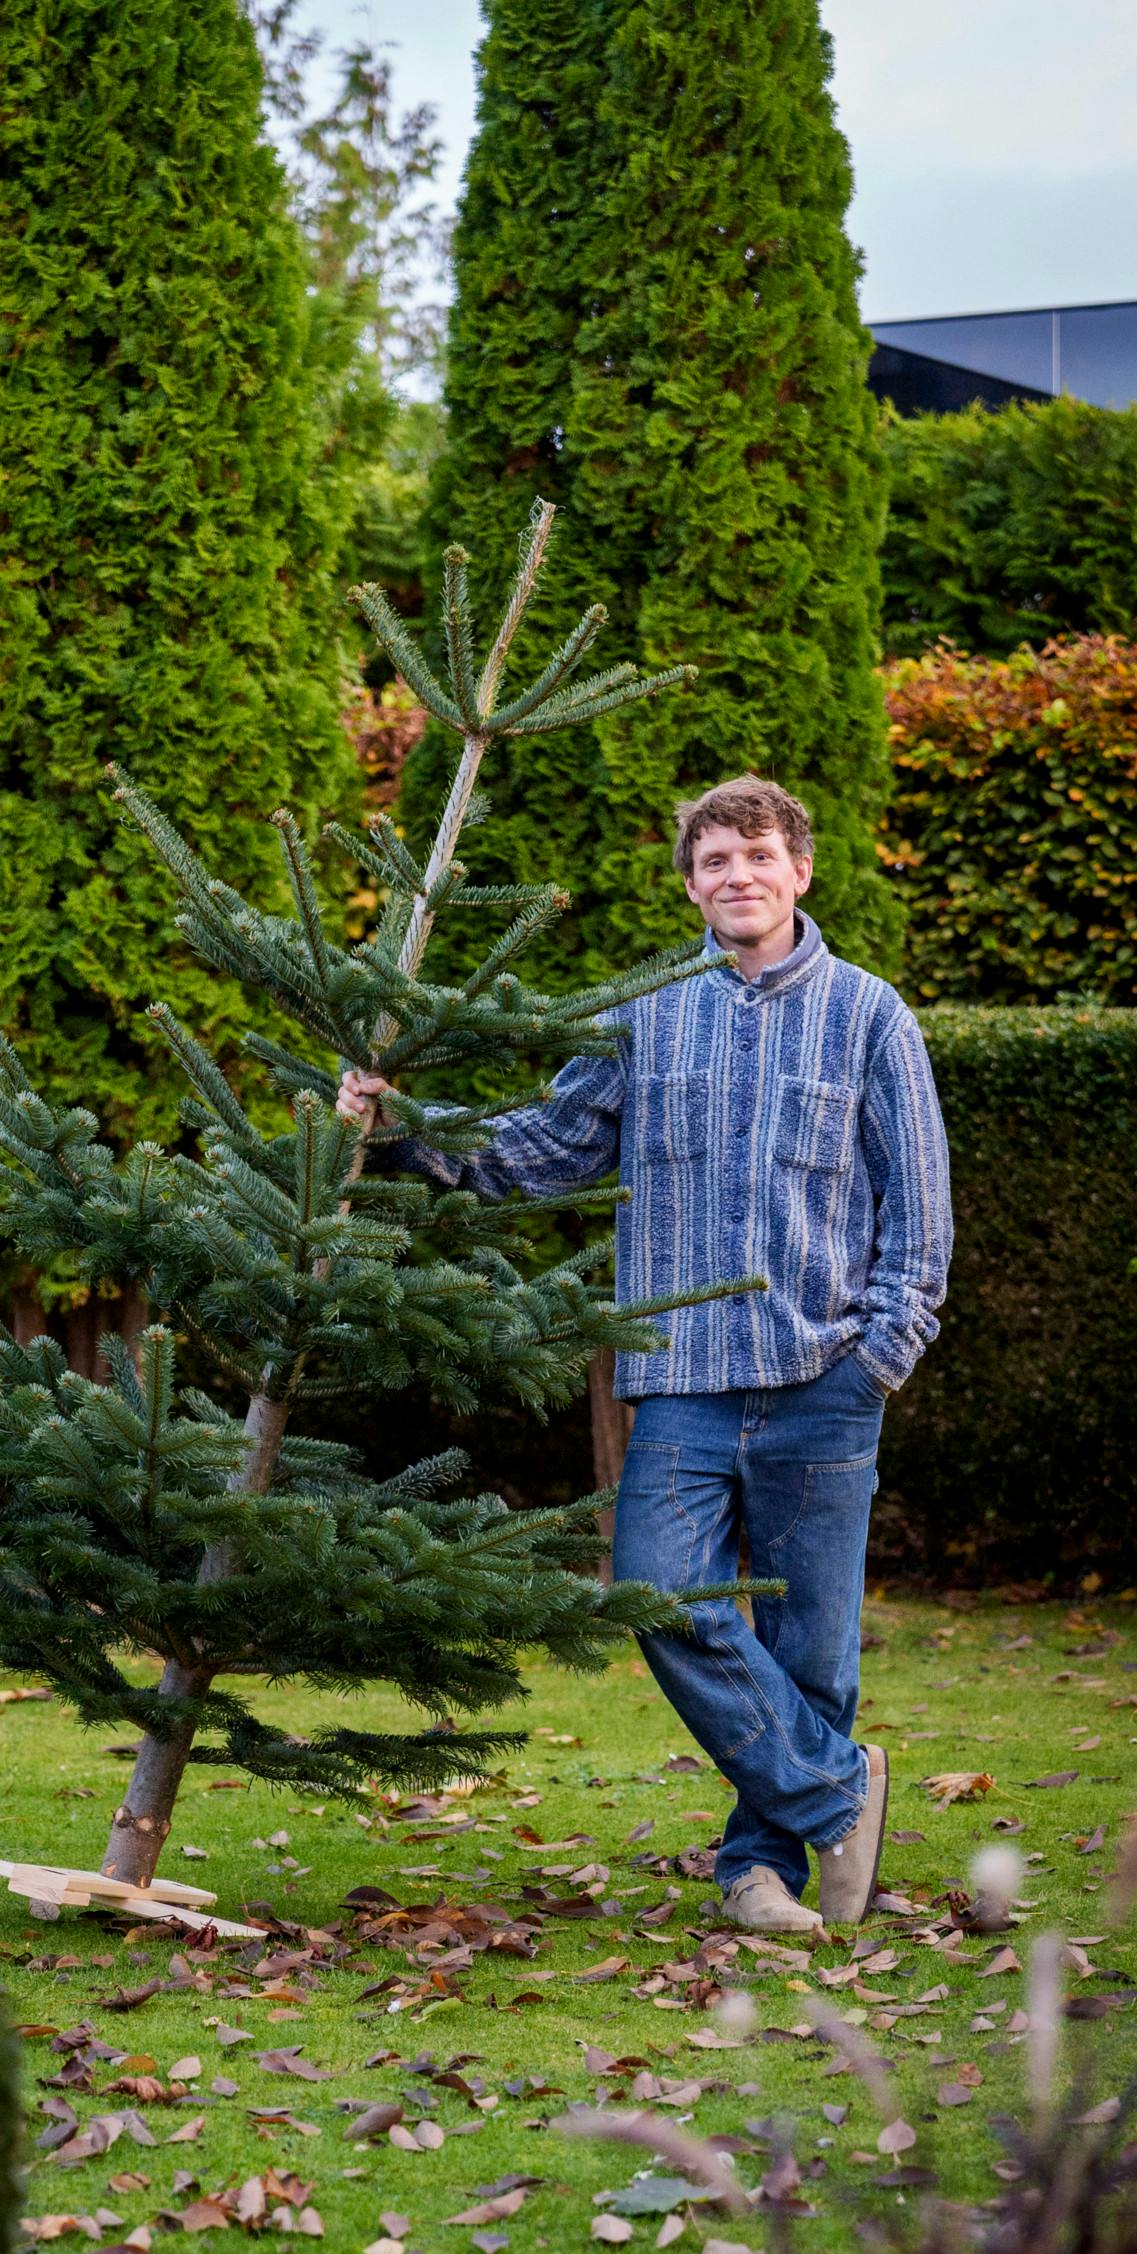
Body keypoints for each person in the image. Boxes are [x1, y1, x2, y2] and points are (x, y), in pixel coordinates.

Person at [337, 775, 952, 1934]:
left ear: (799, 870)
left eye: (758, 854)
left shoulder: (872, 1016)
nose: (738, 875)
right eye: (714, 859)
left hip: (824, 1376)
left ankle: (757, 1875)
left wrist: (876, 1359)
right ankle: (840, 1793)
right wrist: (405, 1128)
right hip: (678, 1378)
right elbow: (543, 1148)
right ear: (689, 885)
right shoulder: (649, 1013)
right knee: (657, 1595)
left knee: (811, 1648)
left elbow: (918, 1214)